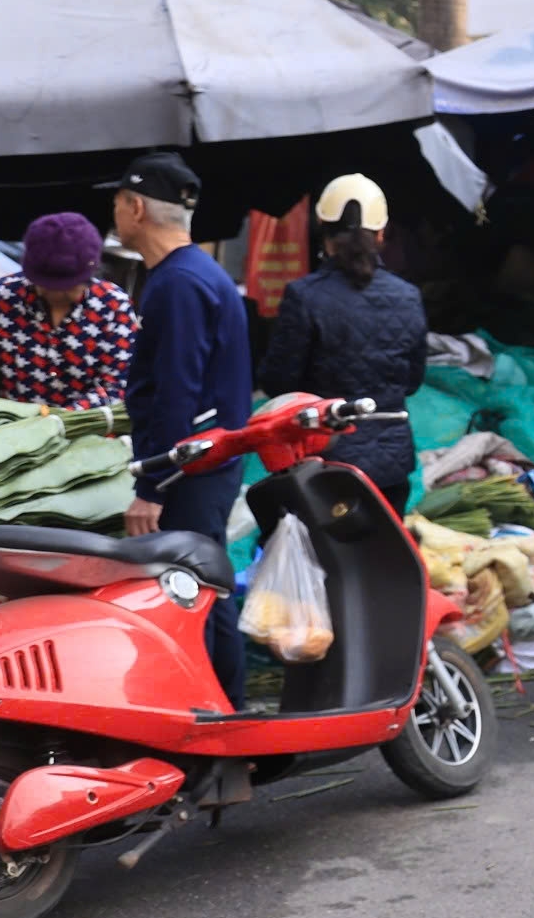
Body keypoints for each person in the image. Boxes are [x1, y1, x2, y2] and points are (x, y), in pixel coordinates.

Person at [113, 151, 253, 709]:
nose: (115, 213)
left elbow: (178, 391)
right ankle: (224, 710)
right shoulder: (191, 275)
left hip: (192, 468)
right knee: (204, 585)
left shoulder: (178, 285)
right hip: (205, 462)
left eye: (118, 203)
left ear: (136, 207)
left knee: (197, 590)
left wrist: (153, 487)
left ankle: (220, 715)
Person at [259, 174, 429, 512]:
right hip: (390, 464)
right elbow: (412, 382)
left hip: (322, 460)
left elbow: (277, 382)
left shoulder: (303, 296)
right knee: (385, 558)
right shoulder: (408, 297)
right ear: (381, 234)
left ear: (324, 232)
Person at [0, 212, 138, 409]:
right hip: (16, 426)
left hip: (88, 428)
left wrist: (64, 419)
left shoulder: (113, 306)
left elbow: (118, 384)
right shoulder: (2, 297)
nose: (57, 294)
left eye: (69, 287)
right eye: (47, 286)